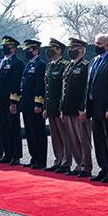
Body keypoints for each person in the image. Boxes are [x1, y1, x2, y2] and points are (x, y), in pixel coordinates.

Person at [82, 33, 108, 183]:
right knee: (99, 140)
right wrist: (87, 107)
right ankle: (104, 168)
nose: (96, 46)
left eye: (99, 43)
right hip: (95, 108)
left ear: (107, 46)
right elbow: (89, 86)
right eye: (95, 43)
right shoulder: (94, 61)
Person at [60, 38, 92, 177]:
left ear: (81, 49)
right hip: (67, 108)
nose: (70, 50)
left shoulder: (85, 66)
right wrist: (62, 109)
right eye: (70, 47)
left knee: (83, 139)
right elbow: (64, 89)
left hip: (79, 109)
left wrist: (83, 108)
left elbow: (86, 89)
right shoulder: (68, 66)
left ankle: (86, 166)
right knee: (72, 139)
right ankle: (78, 164)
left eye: (73, 47)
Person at [0, 36, 25, 166]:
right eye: (4, 46)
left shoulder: (17, 63)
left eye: (7, 46)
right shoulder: (2, 63)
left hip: (10, 101)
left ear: (14, 49)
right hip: (0, 100)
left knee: (13, 128)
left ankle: (16, 155)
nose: (4, 48)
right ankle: (7, 153)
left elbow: (16, 84)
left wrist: (14, 102)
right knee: (4, 128)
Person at [43, 39, 70, 173]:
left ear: (59, 50)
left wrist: (62, 108)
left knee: (64, 135)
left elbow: (64, 89)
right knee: (55, 136)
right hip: (51, 107)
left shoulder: (65, 65)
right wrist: (45, 108)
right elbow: (46, 89)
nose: (50, 49)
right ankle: (58, 159)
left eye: (53, 47)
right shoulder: (49, 66)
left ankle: (66, 161)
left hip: (59, 107)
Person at [20, 39, 47, 169]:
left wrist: (38, 104)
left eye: (29, 50)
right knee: (30, 133)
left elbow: (39, 86)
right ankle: (34, 157)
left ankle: (41, 160)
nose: (27, 53)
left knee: (38, 133)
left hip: (34, 104)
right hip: (26, 104)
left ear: (36, 50)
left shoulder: (40, 64)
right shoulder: (29, 64)